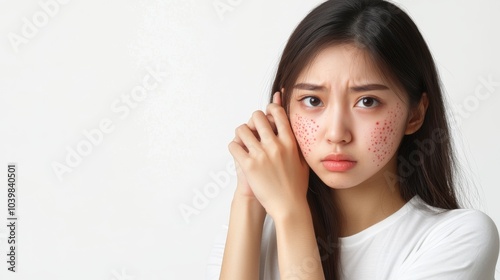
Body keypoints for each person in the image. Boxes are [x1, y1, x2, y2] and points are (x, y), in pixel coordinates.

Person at [206, 0, 500, 279]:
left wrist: (290, 212)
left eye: (368, 102)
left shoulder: (459, 238)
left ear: (415, 115)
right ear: (283, 109)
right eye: (312, 100)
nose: (336, 133)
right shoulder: (251, 232)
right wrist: (247, 199)